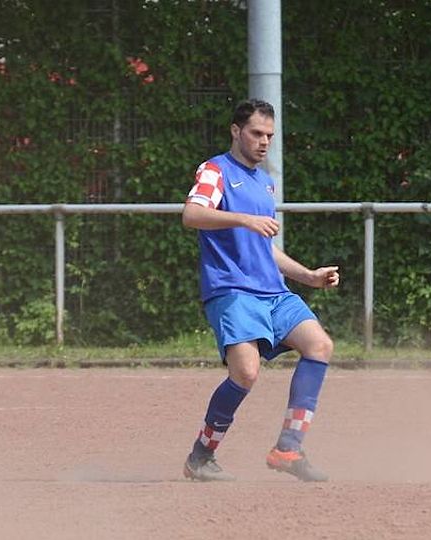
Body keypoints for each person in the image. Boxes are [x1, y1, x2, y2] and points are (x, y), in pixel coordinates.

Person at [181, 99, 339, 482]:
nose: (264, 141)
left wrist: (309, 276)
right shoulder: (215, 170)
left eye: (269, 135)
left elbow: (265, 248)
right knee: (246, 373)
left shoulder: (265, 182)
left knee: (320, 345)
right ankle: (201, 456)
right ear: (236, 131)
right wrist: (245, 219)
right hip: (232, 290)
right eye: (256, 133)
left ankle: (288, 448)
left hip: (273, 292)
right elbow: (192, 214)